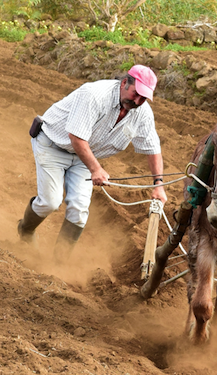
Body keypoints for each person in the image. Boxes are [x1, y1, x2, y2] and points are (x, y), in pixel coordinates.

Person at [18, 65, 167, 249]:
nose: (137, 100)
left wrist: (158, 184)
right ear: (124, 83)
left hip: (84, 157)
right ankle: (25, 230)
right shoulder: (95, 95)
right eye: (135, 93)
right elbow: (76, 137)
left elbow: (152, 148)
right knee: (50, 202)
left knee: (79, 210)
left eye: (143, 98)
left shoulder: (142, 114)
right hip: (53, 145)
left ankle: (58, 262)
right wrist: (96, 169)